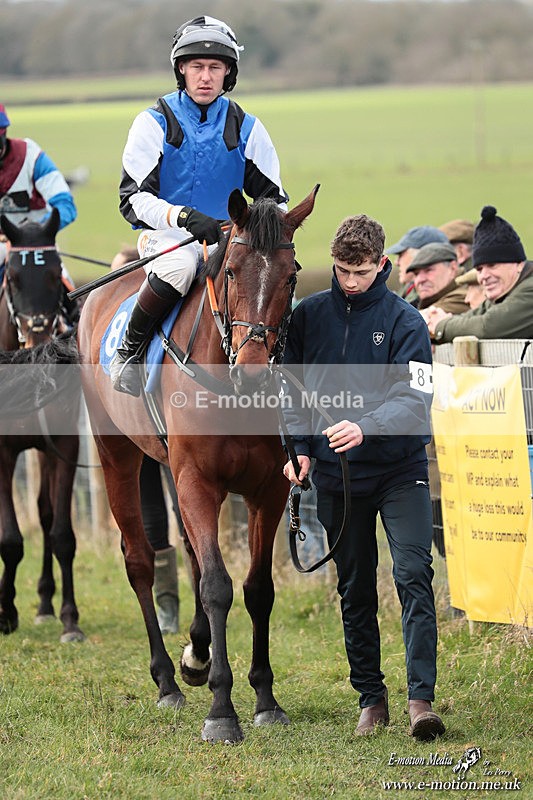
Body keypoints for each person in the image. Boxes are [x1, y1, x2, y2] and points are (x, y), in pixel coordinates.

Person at [282, 214, 445, 741]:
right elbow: (291, 395)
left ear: (382, 265)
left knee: (413, 574)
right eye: (342, 271)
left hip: (401, 471)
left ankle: (421, 701)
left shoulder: (406, 323)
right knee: (354, 587)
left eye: (361, 272)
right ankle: (371, 700)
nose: (351, 282)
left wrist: (366, 426)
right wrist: (299, 450)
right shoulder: (307, 317)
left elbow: (416, 400)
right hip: (336, 477)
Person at [110, 15, 288, 396]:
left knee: (273, 273)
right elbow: (133, 200)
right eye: (196, 67)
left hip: (231, 239)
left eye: (214, 67)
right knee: (181, 265)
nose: (205, 77)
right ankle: (129, 352)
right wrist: (183, 217)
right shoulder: (152, 122)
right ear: (181, 70)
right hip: (167, 238)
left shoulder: (248, 127)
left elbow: (276, 200)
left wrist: (257, 232)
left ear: (228, 73)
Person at [110, 246, 180, 635]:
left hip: (172, 425)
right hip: (134, 426)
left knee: (188, 521)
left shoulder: (166, 316)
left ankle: (203, 604)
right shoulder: (120, 323)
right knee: (153, 521)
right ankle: (168, 607)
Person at [0, 103, 78, 321]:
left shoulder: (31, 157)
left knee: (67, 291)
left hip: (37, 244)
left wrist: (36, 232)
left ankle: (72, 329)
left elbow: (65, 205)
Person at [425, 206, 533, 342]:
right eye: (479, 269)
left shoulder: (529, 290)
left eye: (492, 265)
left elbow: (488, 327)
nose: (484, 276)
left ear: (519, 264)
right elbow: (468, 318)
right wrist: (433, 324)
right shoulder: (501, 295)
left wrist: (440, 326)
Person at [385, 225, 448, 305]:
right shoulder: (410, 287)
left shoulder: (432, 292)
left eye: (400, 255)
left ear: (420, 256)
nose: (396, 262)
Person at [407, 241, 470, 315]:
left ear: (452, 268)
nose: (420, 280)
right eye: (416, 274)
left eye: (428, 270)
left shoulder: (464, 296)